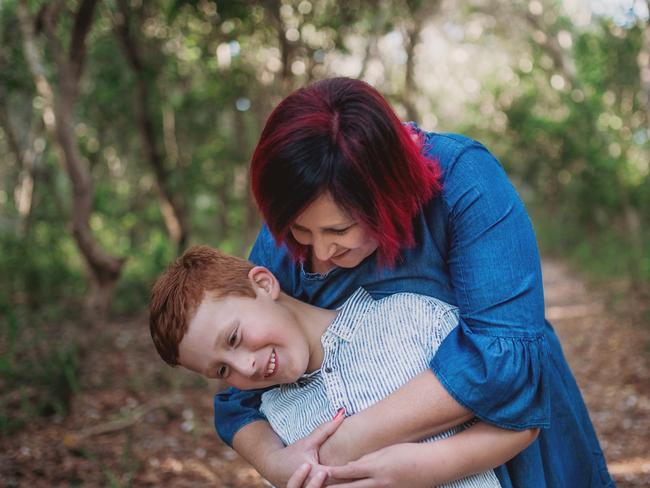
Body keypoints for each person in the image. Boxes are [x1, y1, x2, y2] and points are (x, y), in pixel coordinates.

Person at [212, 77, 615, 488]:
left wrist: (346, 447)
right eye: (301, 231)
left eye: (340, 230)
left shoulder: (464, 180)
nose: (319, 254)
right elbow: (238, 398)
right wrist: (276, 464)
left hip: (505, 448)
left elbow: (500, 359)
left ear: (387, 193)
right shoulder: (287, 227)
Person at [149, 245, 538, 487]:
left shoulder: (408, 318)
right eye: (221, 371)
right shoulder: (278, 426)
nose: (245, 367)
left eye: (233, 338)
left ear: (264, 285)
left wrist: (429, 467)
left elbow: (522, 421)